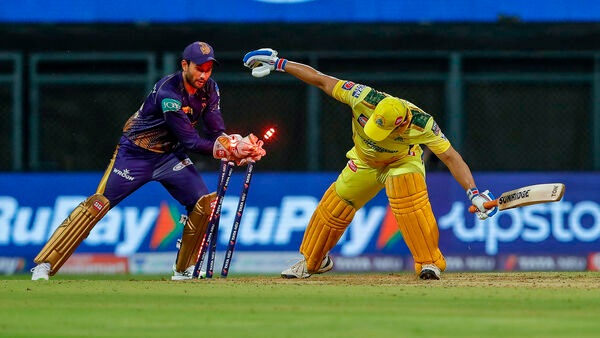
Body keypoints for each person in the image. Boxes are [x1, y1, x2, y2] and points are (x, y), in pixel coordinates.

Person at [242, 48, 497, 280]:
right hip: (363, 162)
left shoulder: (423, 125)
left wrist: (473, 193)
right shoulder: (361, 96)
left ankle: (429, 262)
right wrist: (280, 63)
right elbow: (320, 78)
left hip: (401, 161)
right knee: (334, 207)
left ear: (401, 124)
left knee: (405, 186)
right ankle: (313, 261)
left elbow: (452, 157)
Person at [30, 41, 266, 281]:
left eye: (208, 69)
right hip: (135, 155)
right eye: (199, 68)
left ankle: (184, 269)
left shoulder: (211, 89)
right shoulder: (169, 93)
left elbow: (217, 131)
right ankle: (44, 264)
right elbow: (191, 142)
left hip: (169, 156)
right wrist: (229, 151)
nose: (204, 74)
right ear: (185, 65)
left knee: (203, 204)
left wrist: (238, 146)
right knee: (97, 204)